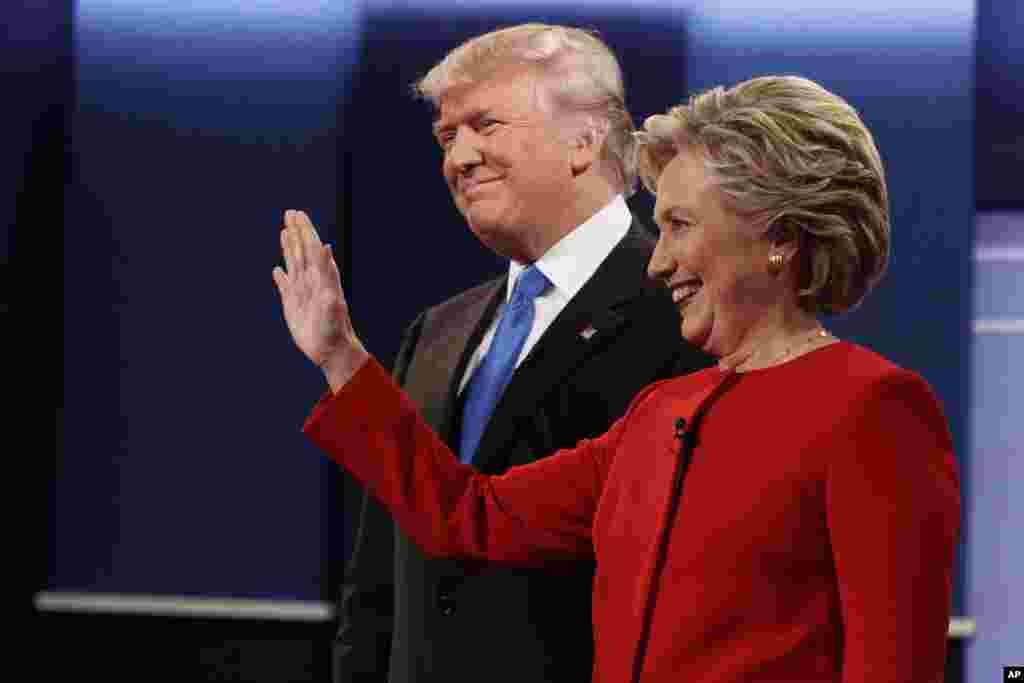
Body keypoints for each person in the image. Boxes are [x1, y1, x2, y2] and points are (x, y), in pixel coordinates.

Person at [275, 75, 960, 682]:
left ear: (780, 236)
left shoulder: (873, 408)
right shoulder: (659, 413)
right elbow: (469, 516)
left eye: (680, 225)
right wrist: (341, 358)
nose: (657, 262)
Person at [302, 24, 711, 683]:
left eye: (485, 124)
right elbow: (378, 581)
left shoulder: (684, 313)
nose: (459, 158)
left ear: (583, 141)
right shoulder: (436, 331)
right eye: (446, 137)